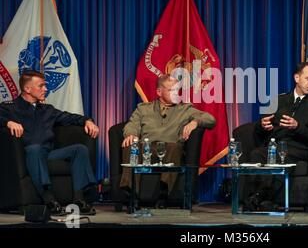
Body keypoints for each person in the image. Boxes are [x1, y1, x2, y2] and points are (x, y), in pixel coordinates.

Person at [0, 70, 99, 215]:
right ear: (27, 89)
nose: (45, 89)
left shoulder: (47, 110)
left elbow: (70, 117)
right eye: (41, 86)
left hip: (48, 154)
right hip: (26, 155)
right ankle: (49, 200)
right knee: (34, 149)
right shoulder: (10, 107)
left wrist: (87, 121)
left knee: (80, 149)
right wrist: (8, 122)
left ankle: (79, 199)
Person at [120, 74, 216, 208]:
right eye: (172, 90)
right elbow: (131, 124)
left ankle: (163, 193)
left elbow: (211, 119)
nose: (176, 93)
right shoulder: (143, 108)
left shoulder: (185, 109)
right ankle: (131, 195)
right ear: (159, 92)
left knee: (175, 147)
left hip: (169, 151)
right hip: (146, 148)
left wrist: (195, 122)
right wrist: (131, 134)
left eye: (178, 90)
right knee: (130, 145)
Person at [244, 62, 308, 211]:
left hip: (299, 149)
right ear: (297, 78)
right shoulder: (278, 99)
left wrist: (298, 127)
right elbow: (261, 125)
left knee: (276, 156)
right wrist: (261, 125)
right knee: (256, 154)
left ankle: (261, 198)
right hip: (275, 145)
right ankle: (258, 197)